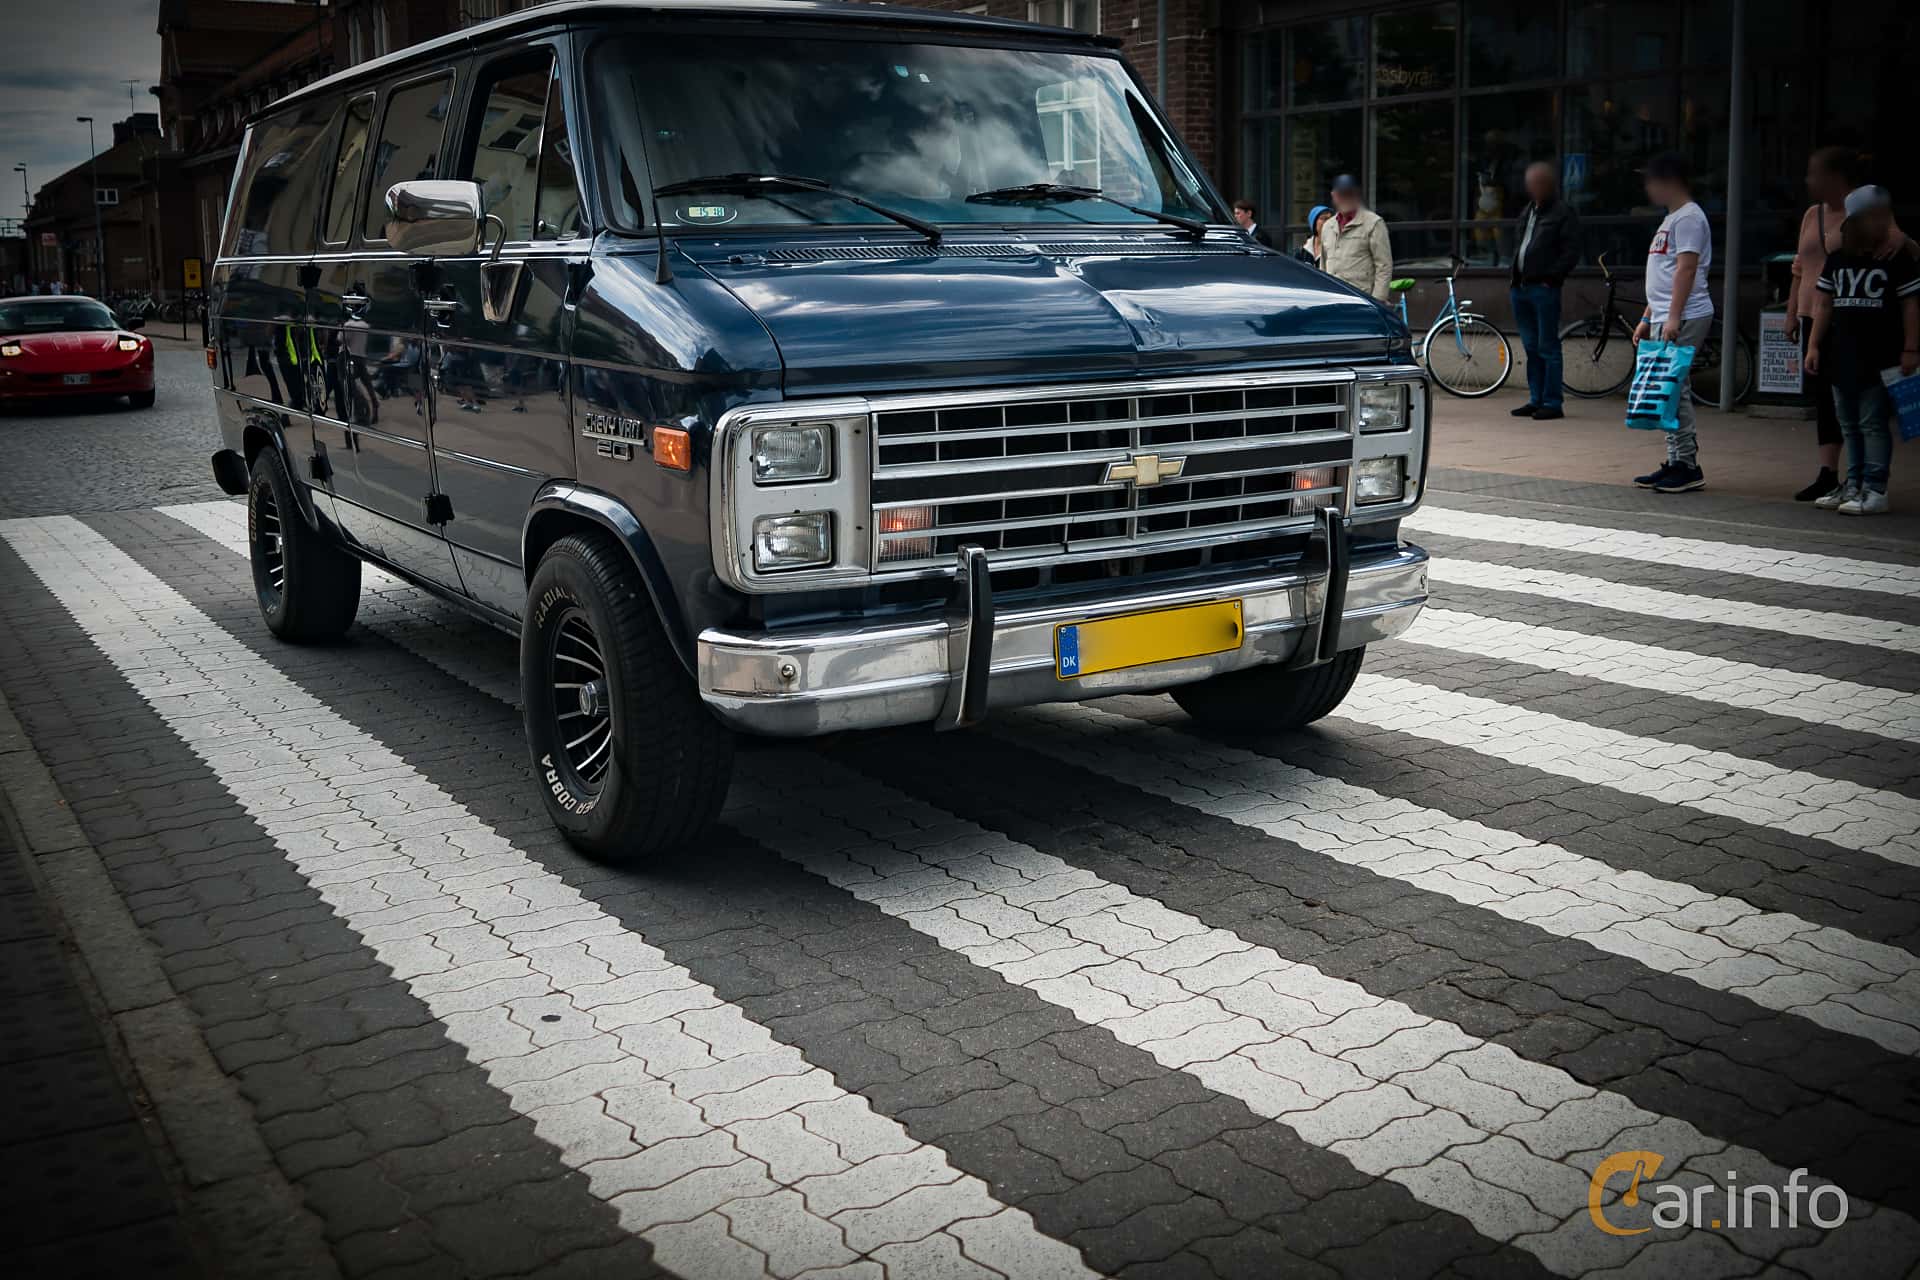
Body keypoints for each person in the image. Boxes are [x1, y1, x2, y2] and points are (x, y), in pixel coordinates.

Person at [1785, 146, 1911, 502]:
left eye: (1814, 173)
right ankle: (1831, 474)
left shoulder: (1867, 213)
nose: (1808, 180)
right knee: (1827, 397)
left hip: (1853, 321)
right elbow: (1799, 266)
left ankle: (1865, 481)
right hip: (1817, 312)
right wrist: (1792, 311)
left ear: (1834, 177)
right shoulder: (1813, 215)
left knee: (1862, 406)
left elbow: (1899, 244)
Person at [1804, 185, 1919, 516]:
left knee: (1871, 423)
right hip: (1842, 356)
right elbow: (1823, 305)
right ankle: (1853, 485)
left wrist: (1911, 348)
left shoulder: (1896, 260)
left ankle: (1875, 487)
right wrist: (1814, 345)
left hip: (1880, 358)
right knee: (1849, 423)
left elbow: (1911, 305)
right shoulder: (1838, 260)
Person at [1631, 152, 1714, 494]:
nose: (1648, 188)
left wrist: (1674, 316)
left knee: (1674, 389)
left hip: (1687, 313)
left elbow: (1686, 269)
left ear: (1668, 182)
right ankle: (1676, 460)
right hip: (1666, 315)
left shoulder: (1689, 218)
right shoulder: (1672, 219)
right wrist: (1647, 317)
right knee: (1668, 389)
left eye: (1651, 181)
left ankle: (1687, 465)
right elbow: (1664, 276)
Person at [1508, 161, 1582, 421]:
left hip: (1543, 288)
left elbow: (1571, 250)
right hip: (1521, 287)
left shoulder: (1562, 212)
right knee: (1530, 347)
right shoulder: (1528, 210)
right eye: (1531, 183)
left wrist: (1552, 277)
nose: (1534, 187)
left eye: (1538, 182)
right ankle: (1535, 399)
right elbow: (1520, 245)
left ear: (1550, 184)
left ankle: (1552, 402)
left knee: (1547, 346)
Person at [1317, 175, 1392, 303]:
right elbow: (1323, 266)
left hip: (1362, 301)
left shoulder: (1373, 223)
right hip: (1332, 300)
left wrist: (1377, 301)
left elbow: (1384, 266)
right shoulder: (1328, 227)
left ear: (1357, 195)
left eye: (1349, 194)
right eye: (1341, 194)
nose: (1346, 198)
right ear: (1334, 196)